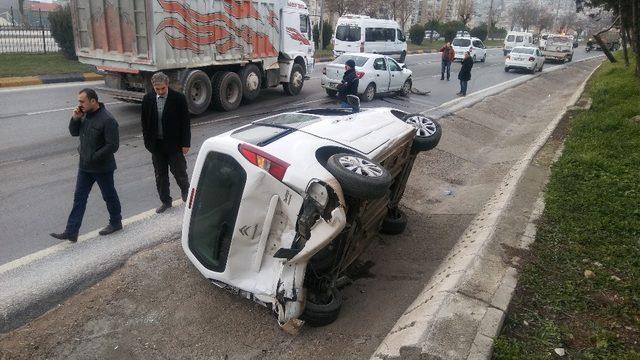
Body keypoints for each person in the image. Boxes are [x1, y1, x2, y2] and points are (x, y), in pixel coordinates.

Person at [50, 89, 122, 242]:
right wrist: (75, 118)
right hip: (84, 167)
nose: (79, 105)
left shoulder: (107, 119)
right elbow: (74, 133)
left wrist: (94, 157)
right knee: (79, 198)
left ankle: (116, 223)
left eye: (82, 101)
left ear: (93, 101)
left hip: (102, 167)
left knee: (109, 195)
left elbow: (113, 145)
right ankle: (71, 232)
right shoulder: (83, 115)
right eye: (79, 101)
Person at [141, 72, 191, 213]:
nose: (161, 91)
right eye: (158, 89)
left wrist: (185, 143)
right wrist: (147, 143)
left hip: (174, 144)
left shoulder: (178, 98)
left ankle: (186, 193)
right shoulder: (147, 99)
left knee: (179, 171)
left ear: (167, 85)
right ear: (153, 87)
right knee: (160, 175)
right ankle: (165, 201)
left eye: (163, 88)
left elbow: (185, 123)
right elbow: (144, 123)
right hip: (156, 145)